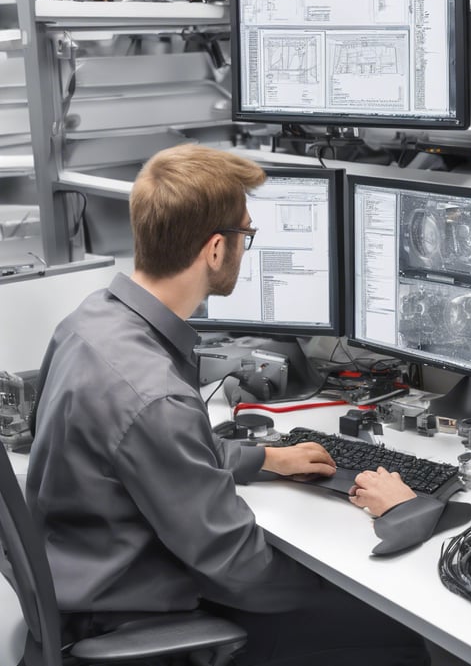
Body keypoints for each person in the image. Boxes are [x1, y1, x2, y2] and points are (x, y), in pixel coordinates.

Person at [26, 144, 442, 666]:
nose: (246, 246)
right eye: (247, 234)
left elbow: (148, 457)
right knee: (398, 635)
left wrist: (265, 458)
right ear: (216, 249)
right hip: (137, 626)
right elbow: (241, 569)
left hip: (83, 589)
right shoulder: (155, 395)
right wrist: (375, 551)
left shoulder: (87, 324)